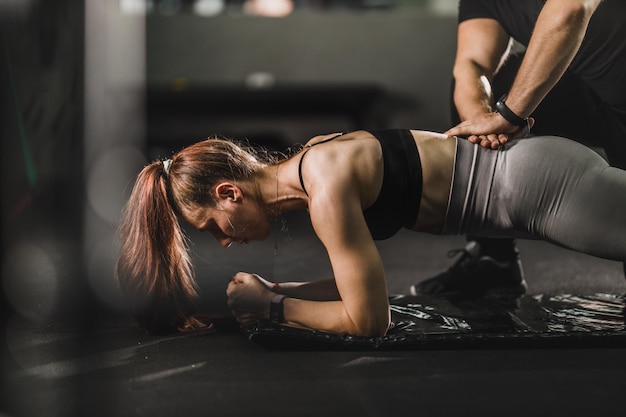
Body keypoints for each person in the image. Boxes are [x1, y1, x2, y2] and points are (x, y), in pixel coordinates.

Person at [115, 129, 626, 336]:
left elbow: (369, 319)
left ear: (229, 193)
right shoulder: (315, 168)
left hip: (546, 191)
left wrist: (274, 309)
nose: (224, 241)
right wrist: (283, 291)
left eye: (214, 228)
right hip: (535, 185)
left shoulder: (326, 191)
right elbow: (362, 285)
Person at [411, 0, 626, 296]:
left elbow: (570, 9)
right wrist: (481, 125)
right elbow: (472, 64)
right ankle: (491, 260)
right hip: (591, 90)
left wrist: (509, 115)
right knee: (490, 87)